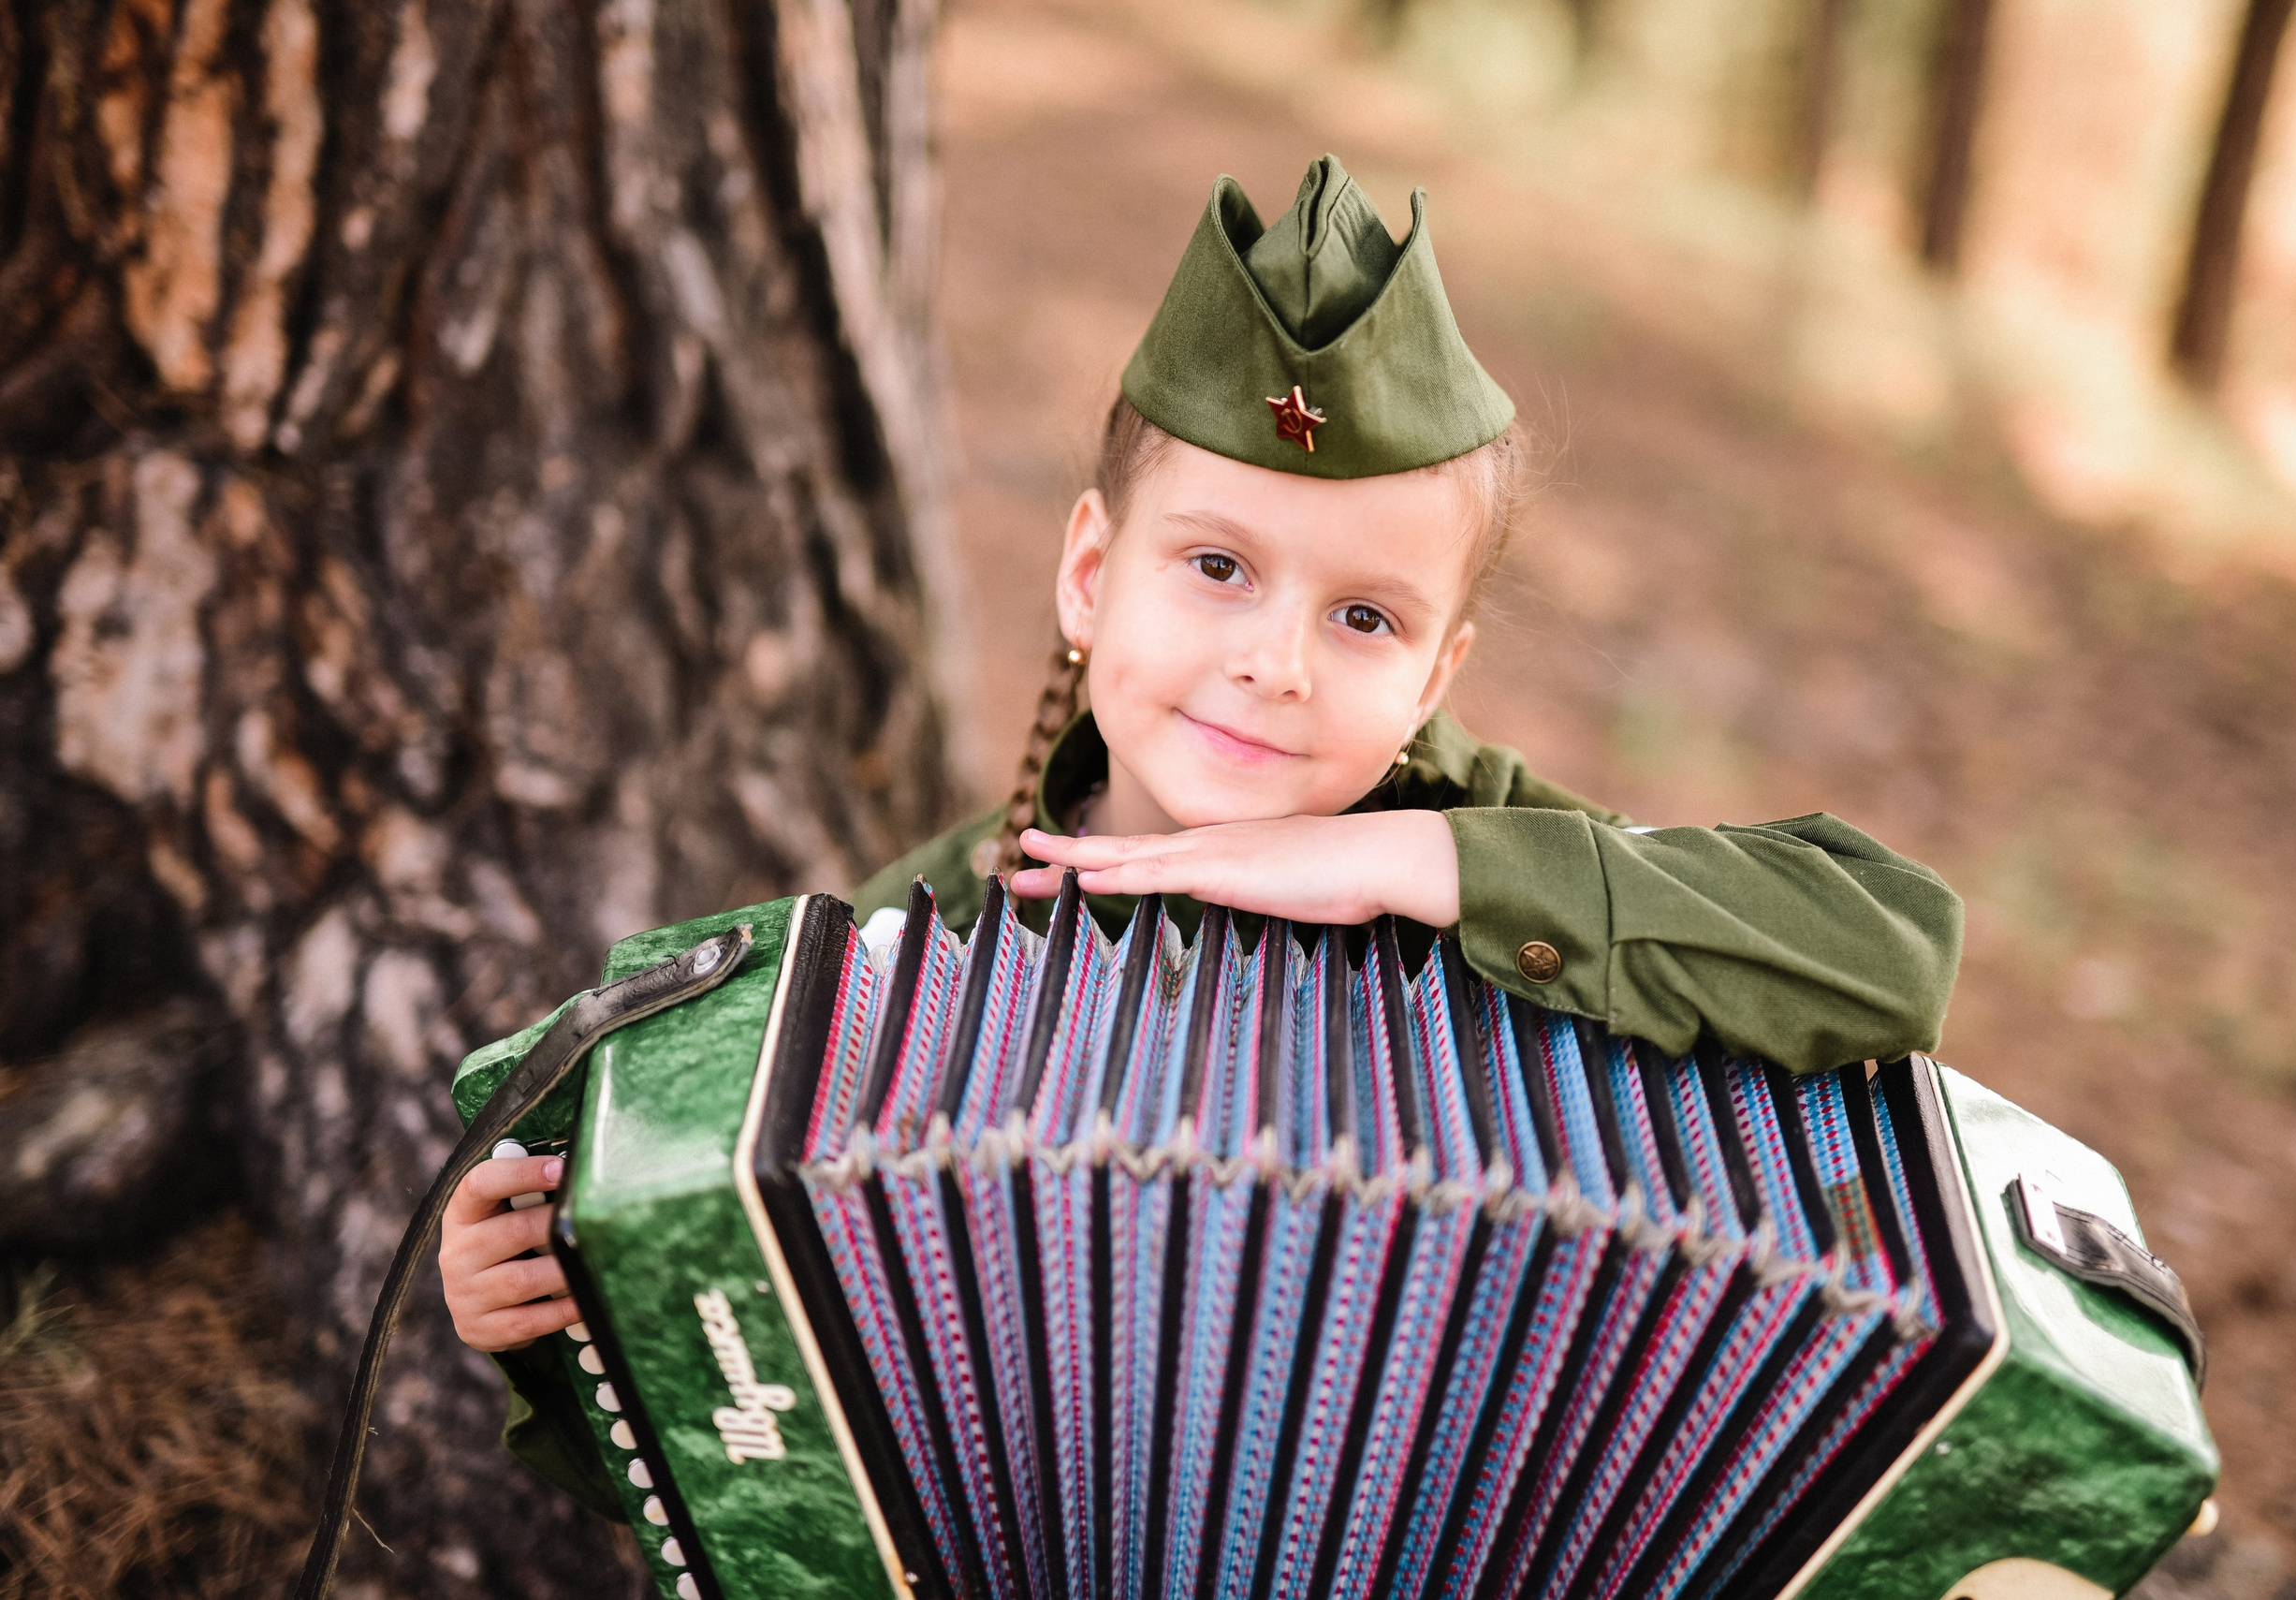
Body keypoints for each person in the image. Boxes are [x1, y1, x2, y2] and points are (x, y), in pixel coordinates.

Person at [436, 154, 1964, 1518]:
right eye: (1218, 566)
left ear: (1438, 671)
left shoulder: (1476, 841)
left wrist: (1408, 865)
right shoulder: (928, 946)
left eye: (1364, 616)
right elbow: (746, 1444)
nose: (1278, 662)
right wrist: (554, 1323)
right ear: (1092, 575)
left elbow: (1887, 943)